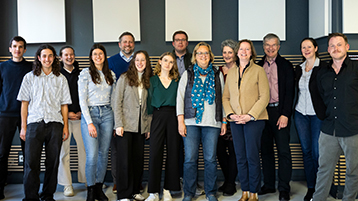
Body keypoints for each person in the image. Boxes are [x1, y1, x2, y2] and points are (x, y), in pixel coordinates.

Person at [17, 44, 71, 201]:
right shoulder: (29, 78)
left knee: (52, 164)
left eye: (50, 56)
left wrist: (65, 127)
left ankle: (47, 195)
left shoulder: (61, 79)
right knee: (31, 164)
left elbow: (64, 105)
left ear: (54, 58)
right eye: (44, 56)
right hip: (34, 124)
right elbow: (24, 104)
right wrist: (23, 127)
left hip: (55, 124)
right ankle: (30, 197)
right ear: (39, 58)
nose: (47, 59)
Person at [176, 42, 226, 201]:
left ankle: (211, 192)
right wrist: (180, 121)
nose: (203, 56)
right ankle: (189, 193)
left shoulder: (217, 74)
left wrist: (224, 121)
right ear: (195, 56)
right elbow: (180, 99)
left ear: (210, 56)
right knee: (190, 159)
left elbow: (223, 98)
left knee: (210, 159)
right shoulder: (188, 74)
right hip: (191, 123)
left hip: (212, 123)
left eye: (206, 53)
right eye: (200, 53)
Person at [313, 33, 358, 201]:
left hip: (352, 129)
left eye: (339, 45)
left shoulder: (356, 68)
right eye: (332, 45)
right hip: (328, 129)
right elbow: (317, 97)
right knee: (324, 170)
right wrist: (323, 116)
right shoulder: (322, 72)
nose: (335, 48)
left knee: (353, 171)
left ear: (347, 47)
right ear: (328, 50)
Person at [223, 39, 270, 201]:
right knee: (240, 156)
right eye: (241, 49)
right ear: (237, 52)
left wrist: (249, 116)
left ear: (251, 53)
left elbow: (264, 96)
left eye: (247, 49)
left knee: (252, 156)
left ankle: (254, 192)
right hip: (235, 121)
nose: (243, 52)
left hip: (254, 121)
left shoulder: (259, 71)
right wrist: (231, 115)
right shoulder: (231, 73)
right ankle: (244, 191)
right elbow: (225, 98)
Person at [257, 33, 294, 201]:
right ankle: (269, 184)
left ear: (278, 47)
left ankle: (284, 188)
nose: (270, 48)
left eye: (273, 45)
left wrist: (285, 114)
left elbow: (290, 93)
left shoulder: (286, 65)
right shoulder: (257, 66)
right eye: (267, 45)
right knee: (265, 151)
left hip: (280, 112)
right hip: (263, 113)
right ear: (263, 47)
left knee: (283, 151)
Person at [78, 44, 116, 201]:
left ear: (104, 56)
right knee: (92, 155)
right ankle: (91, 190)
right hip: (91, 114)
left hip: (107, 114)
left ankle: (99, 188)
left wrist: (115, 123)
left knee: (103, 154)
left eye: (100, 53)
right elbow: (82, 99)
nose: (98, 56)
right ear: (91, 57)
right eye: (95, 54)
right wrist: (89, 122)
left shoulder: (111, 74)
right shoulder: (85, 74)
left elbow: (113, 99)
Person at [113, 50, 152, 201]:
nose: (140, 63)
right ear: (133, 62)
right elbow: (117, 102)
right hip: (125, 125)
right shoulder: (124, 78)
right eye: (137, 60)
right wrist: (118, 124)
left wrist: (147, 127)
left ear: (147, 62)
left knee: (138, 160)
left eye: (143, 60)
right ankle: (124, 194)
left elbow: (149, 106)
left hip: (141, 126)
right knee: (124, 161)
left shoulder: (149, 80)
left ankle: (135, 190)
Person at [293, 38, 326, 201]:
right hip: (300, 114)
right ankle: (311, 187)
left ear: (315, 48)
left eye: (309, 47)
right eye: (303, 47)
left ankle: (323, 187)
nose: (306, 50)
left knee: (317, 152)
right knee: (305, 151)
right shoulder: (298, 69)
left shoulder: (324, 67)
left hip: (317, 116)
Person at [145, 52, 181, 201]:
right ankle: (153, 192)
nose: (168, 64)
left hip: (173, 116)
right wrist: (147, 126)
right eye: (165, 60)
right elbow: (148, 105)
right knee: (155, 153)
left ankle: (168, 189)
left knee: (173, 153)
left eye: (171, 62)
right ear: (160, 62)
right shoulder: (152, 80)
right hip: (157, 117)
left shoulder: (177, 81)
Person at [0, 36, 32, 199]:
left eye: (20, 47)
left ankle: (29, 191)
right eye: (14, 46)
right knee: (2, 153)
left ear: (25, 50)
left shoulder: (31, 67)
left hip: (27, 116)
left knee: (28, 154)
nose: (17, 49)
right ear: (10, 49)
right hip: (5, 115)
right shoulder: (2, 67)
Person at [108, 31, 135, 194]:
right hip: (116, 110)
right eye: (125, 42)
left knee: (134, 149)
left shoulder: (139, 61)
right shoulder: (111, 62)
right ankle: (118, 181)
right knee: (117, 149)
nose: (128, 45)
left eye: (131, 42)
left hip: (135, 112)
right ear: (119, 44)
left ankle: (134, 181)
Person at [57, 46, 86, 197]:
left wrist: (82, 112)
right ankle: (67, 185)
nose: (69, 57)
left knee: (85, 151)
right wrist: (66, 114)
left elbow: (87, 95)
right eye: (66, 55)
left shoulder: (82, 74)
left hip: (81, 118)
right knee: (64, 153)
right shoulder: (56, 75)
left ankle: (87, 180)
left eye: (71, 54)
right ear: (60, 58)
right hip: (63, 120)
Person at [216, 39, 238, 196]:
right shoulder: (217, 71)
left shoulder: (241, 69)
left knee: (233, 151)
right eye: (224, 52)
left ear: (235, 53)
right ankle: (227, 179)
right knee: (219, 150)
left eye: (230, 52)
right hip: (218, 116)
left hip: (235, 116)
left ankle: (231, 183)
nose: (227, 55)